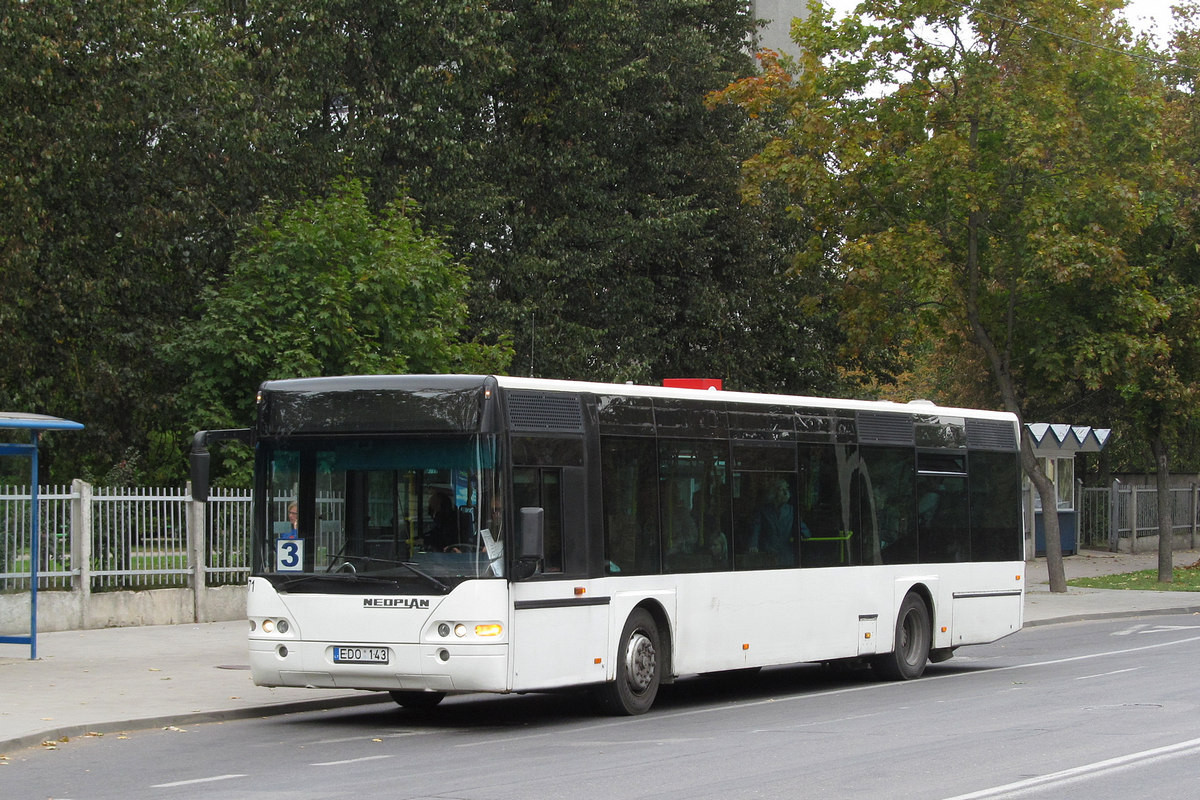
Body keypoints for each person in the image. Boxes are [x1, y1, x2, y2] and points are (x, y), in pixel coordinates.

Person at [748, 478, 796, 566]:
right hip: (768, 555)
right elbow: (756, 529)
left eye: (787, 489)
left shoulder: (791, 510)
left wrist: (800, 535)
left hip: (786, 557)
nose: (786, 493)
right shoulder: (763, 510)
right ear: (774, 492)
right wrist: (753, 545)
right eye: (782, 490)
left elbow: (803, 529)